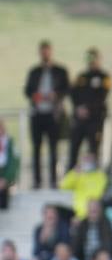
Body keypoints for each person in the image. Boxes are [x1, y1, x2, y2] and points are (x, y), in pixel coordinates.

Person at [23, 40, 70, 189]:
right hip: (37, 114)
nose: (45, 54)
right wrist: (34, 96)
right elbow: (27, 90)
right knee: (36, 148)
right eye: (42, 51)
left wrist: (55, 95)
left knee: (53, 148)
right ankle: (37, 181)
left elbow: (67, 89)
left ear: (51, 51)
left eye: (47, 51)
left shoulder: (60, 70)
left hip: (53, 115)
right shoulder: (34, 71)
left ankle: (53, 180)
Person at [68, 47, 111, 170]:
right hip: (80, 120)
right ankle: (71, 174)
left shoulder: (104, 77)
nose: (91, 61)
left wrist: (88, 109)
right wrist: (78, 108)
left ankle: (92, 174)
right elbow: (73, 93)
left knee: (93, 149)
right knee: (74, 146)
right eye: (89, 58)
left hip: (95, 120)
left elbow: (102, 96)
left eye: (94, 58)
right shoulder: (81, 76)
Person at [60, 150, 108, 220]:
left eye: (91, 159)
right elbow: (63, 186)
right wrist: (74, 173)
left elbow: (103, 192)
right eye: (86, 159)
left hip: (96, 213)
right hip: (80, 214)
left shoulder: (101, 176)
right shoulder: (77, 175)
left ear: (95, 161)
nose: (88, 162)